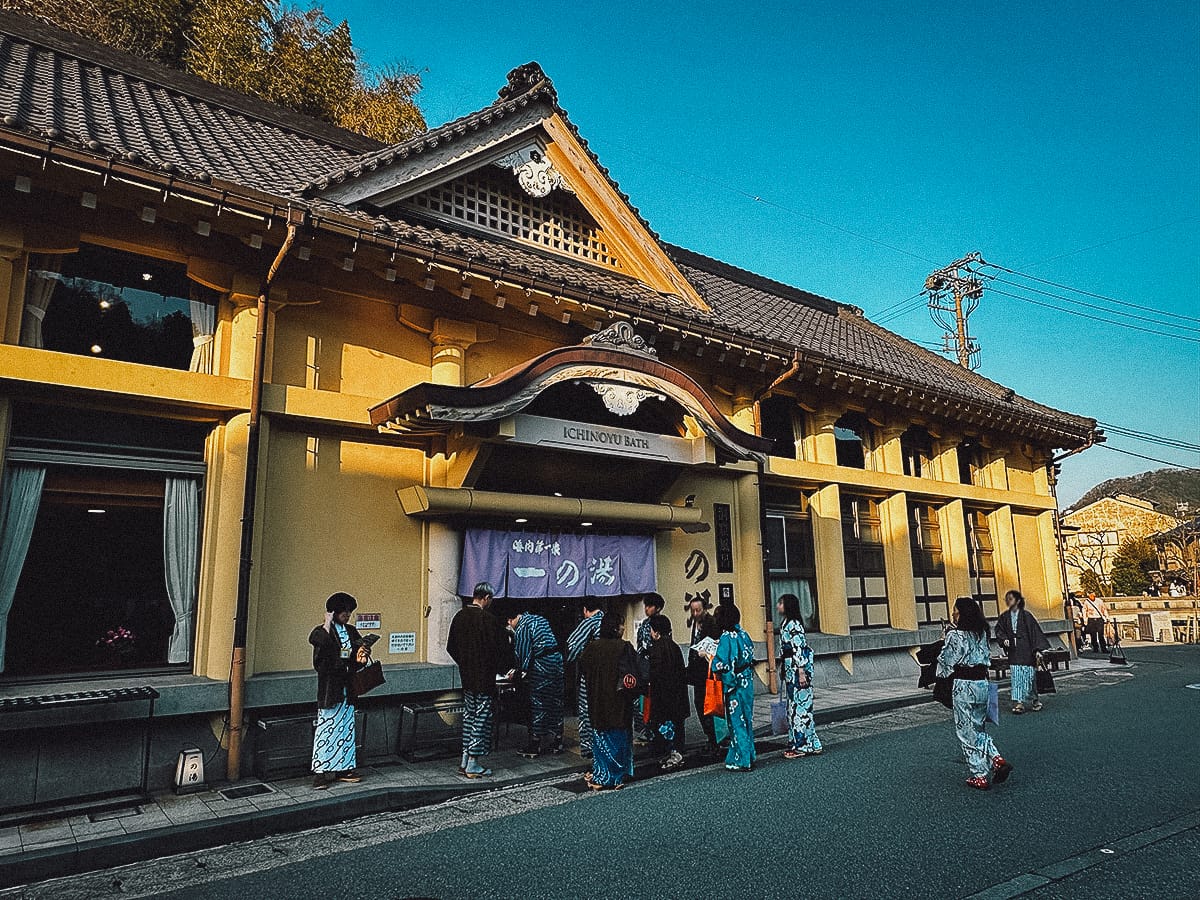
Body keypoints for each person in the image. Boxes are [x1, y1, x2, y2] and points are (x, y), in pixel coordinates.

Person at [936, 596, 1013, 790]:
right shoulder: (982, 633)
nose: (953, 613)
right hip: (983, 684)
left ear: (961, 613)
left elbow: (946, 661)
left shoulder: (955, 635)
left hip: (964, 685)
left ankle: (979, 774)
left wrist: (943, 643)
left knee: (965, 731)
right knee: (978, 728)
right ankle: (995, 757)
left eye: (955, 610)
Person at [446, 582, 512, 778]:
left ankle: (464, 758)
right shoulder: (488, 620)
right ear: (486, 598)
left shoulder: (459, 617)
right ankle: (473, 762)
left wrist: (465, 662)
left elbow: (451, 647)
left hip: (467, 675)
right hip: (484, 676)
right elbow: (501, 650)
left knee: (469, 715)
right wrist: (501, 668)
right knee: (482, 717)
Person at [308, 592, 370, 790]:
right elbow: (319, 657)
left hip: (347, 687)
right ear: (334, 612)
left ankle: (344, 768)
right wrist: (326, 624)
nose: (348, 615)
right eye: (344, 611)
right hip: (331, 687)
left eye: (349, 611)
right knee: (326, 727)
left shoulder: (351, 631)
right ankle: (320, 771)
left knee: (346, 727)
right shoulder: (321, 632)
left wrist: (361, 657)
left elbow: (355, 657)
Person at [579, 614, 637, 790]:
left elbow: (583, 668)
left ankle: (602, 775)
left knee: (601, 738)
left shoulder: (591, 648)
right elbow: (634, 673)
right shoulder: (624, 647)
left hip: (597, 700)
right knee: (619, 737)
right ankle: (618, 776)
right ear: (614, 628)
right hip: (619, 702)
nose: (623, 629)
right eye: (621, 625)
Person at [706, 599, 756, 772]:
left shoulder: (726, 638)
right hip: (746, 681)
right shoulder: (743, 633)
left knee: (736, 722)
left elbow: (720, 664)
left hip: (734, 684)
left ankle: (742, 759)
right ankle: (750, 754)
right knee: (747, 719)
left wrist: (708, 657)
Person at [507, 609, 565, 757]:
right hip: (557, 662)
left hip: (542, 666)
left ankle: (535, 744)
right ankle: (558, 741)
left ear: (510, 620)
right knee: (556, 702)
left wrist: (518, 671)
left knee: (539, 703)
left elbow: (523, 653)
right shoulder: (539, 619)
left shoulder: (522, 627)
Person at [777, 593, 823, 758]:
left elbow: (798, 648)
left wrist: (801, 671)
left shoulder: (794, 625)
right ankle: (811, 742)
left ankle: (801, 745)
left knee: (799, 708)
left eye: (780, 603)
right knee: (796, 706)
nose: (778, 606)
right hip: (791, 668)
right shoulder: (787, 623)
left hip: (797, 669)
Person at [994, 589, 1050, 714]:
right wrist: (1003, 639)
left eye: (1011, 599)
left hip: (1027, 649)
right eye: (1007, 599)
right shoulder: (1004, 617)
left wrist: (1037, 650)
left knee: (1029, 676)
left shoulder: (1027, 616)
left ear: (1018, 601)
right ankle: (1018, 702)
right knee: (1016, 676)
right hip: (1014, 650)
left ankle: (1035, 700)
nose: (1009, 602)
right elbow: (999, 630)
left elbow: (1035, 632)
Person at [646, 613, 689, 770]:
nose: (650, 633)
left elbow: (654, 675)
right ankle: (677, 755)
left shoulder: (655, 649)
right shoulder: (675, 647)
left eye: (651, 630)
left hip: (663, 699)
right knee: (677, 729)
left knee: (664, 729)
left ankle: (669, 757)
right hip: (678, 696)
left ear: (656, 632)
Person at [564, 599, 605, 758]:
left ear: (585, 609)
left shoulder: (589, 623)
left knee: (587, 710)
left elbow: (572, 645)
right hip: (610, 673)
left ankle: (589, 748)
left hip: (591, 673)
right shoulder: (609, 620)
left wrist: (575, 658)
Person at [685, 593, 721, 754]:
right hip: (696, 671)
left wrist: (704, 652)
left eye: (698, 610)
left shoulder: (711, 623)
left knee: (708, 705)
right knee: (700, 704)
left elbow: (716, 645)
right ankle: (710, 737)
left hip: (707, 671)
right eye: (693, 611)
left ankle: (714, 739)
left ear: (705, 609)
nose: (695, 614)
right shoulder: (696, 623)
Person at [633, 592, 665, 742]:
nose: (646, 609)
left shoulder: (661, 624)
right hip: (643, 664)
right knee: (644, 700)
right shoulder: (645, 623)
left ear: (657, 608)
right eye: (646, 606)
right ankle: (646, 729)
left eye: (650, 606)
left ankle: (656, 732)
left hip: (655, 665)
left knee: (655, 700)